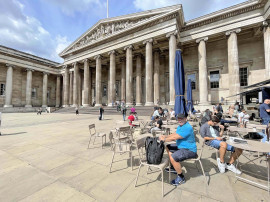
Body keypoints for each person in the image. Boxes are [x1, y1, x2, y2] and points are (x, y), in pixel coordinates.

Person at [159, 113, 197, 186]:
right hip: (181, 147)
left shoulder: (187, 127)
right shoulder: (181, 126)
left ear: (185, 118)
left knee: (174, 157)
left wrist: (164, 140)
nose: (180, 120)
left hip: (189, 150)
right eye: (179, 118)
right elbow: (175, 134)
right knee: (168, 147)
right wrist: (166, 136)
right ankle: (174, 167)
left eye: (181, 118)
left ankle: (181, 177)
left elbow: (175, 138)